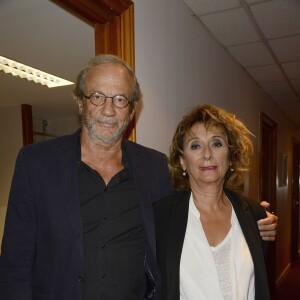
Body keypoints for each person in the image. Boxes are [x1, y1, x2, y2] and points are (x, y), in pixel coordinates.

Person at [0, 55, 277, 300]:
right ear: (80, 103)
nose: (109, 110)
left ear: (132, 110)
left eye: (120, 99)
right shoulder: (35, 163)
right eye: (97, 96)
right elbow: (15, 262)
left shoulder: (155, 168)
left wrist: (254, 218)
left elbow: (199, 199)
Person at [154, 104, 271, 300]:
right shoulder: (161, 216)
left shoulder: (255, 215)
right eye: (195, 145)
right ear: (183, 161)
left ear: (231, 157)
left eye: (217, 143)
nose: (207, 154)